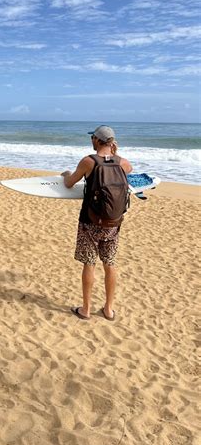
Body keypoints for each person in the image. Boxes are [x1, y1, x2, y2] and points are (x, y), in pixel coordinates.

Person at [61, 126, 132, 321]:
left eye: (93, 137)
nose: (91, 140)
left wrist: (66, 174)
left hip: (90, 222)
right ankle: (109, 309)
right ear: (112, 143)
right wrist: (115, 155)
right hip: (113, 223)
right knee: (110, 263)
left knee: (89, 264)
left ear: (97, 141)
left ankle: (85, 309)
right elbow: (126, 171)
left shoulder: (88, 162)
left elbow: (69, 183)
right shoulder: (124, 163)